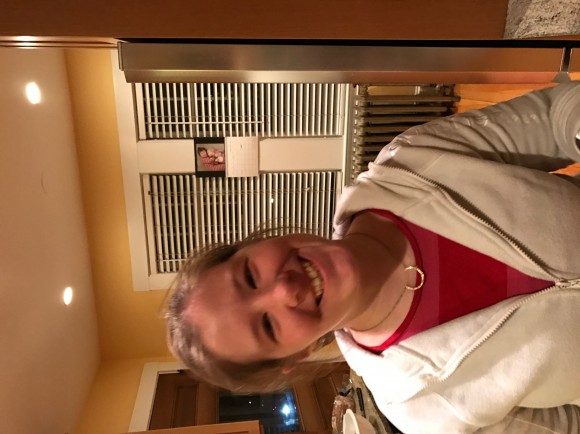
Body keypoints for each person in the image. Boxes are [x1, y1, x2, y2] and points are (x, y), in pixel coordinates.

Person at [166, 83, 580, 433]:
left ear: (257, 242)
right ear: (294, 356)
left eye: (250, 276)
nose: (285, 289)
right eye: (268, 326)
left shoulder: (410, 162)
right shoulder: (420, 409)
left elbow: (554, 120)